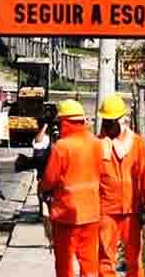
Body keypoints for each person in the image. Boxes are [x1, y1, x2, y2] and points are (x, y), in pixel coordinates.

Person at [39, 99, 103, 277]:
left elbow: (49, 180)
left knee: (65, 264)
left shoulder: (62, 147)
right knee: (89, 264)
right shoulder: (97, 144)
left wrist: (42, 188)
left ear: (65, 122)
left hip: (66, 214)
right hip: (91, 214)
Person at [97, 94, 145, 277]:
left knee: (135, 260)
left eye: (111, 121)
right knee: (105, 259)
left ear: (121, 120)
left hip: (132, 209)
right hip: (106, 210)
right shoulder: (98, 144)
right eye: (105, 120)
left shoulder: (136, 143)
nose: (107, 125)